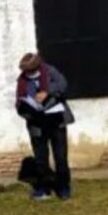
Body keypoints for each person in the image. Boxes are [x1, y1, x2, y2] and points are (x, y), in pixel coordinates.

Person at [15, 53, 74, 200]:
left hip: (56, 120)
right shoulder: (22, 80)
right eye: (26, 72)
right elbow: (20, 102)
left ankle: (63, 187)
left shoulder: (50, 71)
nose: (28, 74)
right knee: (41, 158)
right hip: (36, 124)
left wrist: (47, 92)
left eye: (31, 71)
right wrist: (28, 112)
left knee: (60, 156)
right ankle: (43, 187)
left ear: (37, 67)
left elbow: (63, 84)